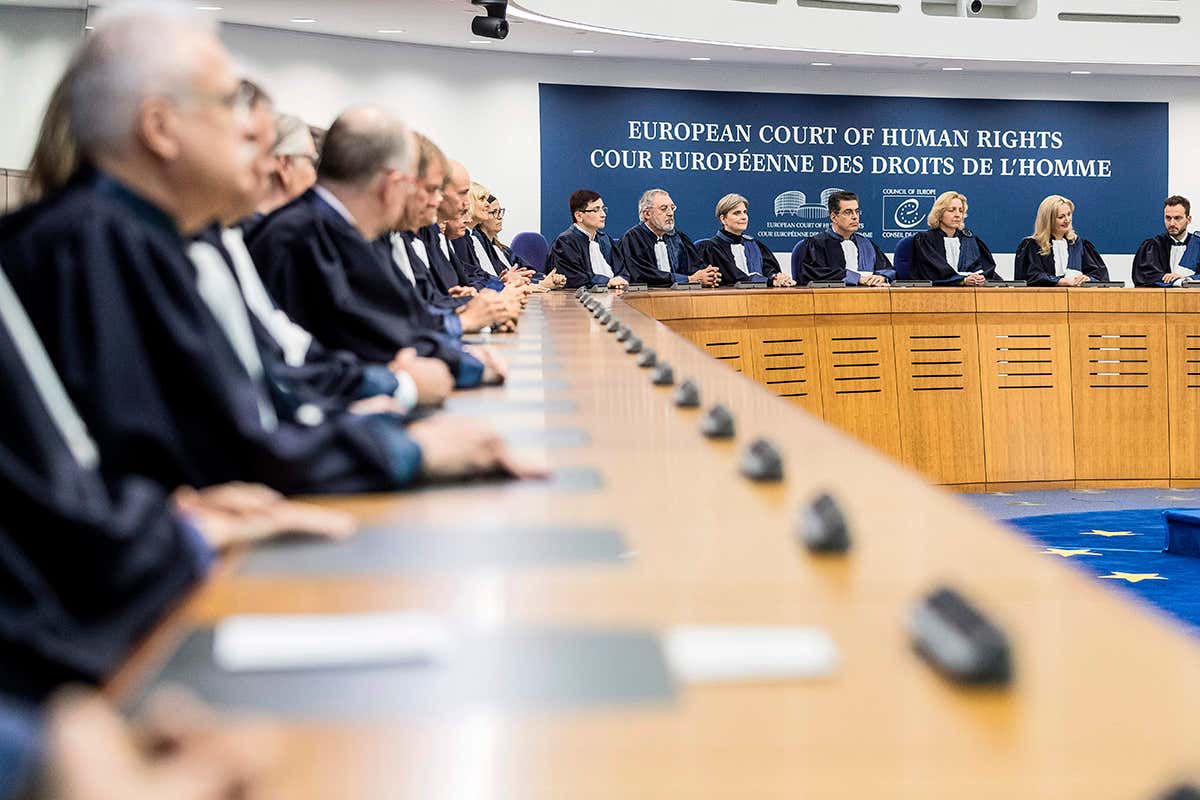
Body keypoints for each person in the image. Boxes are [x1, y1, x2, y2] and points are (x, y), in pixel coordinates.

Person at [0, 5, 529, 496]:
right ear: (160, 128)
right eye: (230, 110)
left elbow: (239, 410)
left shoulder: (149, 237)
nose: (259, 148)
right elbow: (217, 443)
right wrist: (401, 443)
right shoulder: (92, 246)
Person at [192, 80, 452, 412]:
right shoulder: (294, 235)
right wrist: (401, 388)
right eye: (251, 144)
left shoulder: (226, 240)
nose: (267, 165)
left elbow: (291, 351)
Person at [245, 106, 504, 384]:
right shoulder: (302, 234)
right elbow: (365, 334)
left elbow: (395, 318)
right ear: (391, 184)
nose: (433, 200)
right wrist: (462, 365)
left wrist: (462, 357)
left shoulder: (332, 229)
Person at [617, 189, 720, 288]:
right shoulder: (632, 239)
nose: (670, 213)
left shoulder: (679, 238)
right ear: (647, 214)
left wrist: (708, 275)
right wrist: (688, 279)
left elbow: (695, 267)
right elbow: (642, 275)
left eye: (672, 208)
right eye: (664, 208)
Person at [697, 193, 795, 287]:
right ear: (723, 219)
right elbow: (733, 277)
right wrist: (769, 281)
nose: (743, 217)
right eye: (737, 213)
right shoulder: (710, 248)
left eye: (744, 212)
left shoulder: (755, 245)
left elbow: (769, 270)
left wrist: (776, 277)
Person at [798, 190, 892, 286]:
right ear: (834, 217)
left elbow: (888, 269)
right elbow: (814, 275)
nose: (855, 217)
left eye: (857, 211)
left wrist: (881, 277)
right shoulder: (817, 244)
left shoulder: (867, 244)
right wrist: (857, 278)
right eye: (848, 212)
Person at [1014, 195, 1109, 286]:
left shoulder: (1079, 244)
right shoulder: (1032, 245)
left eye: (1069, 214)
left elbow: (1100, 275)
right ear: (1048, 220)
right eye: (1061, 217)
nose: (1067, 220)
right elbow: (1030, 277)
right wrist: (1060, 281)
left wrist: (1088, 279)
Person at [909, 191, 999, 286]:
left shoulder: (969, 239)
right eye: (952, 210)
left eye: (960, 210)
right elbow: (931, 272)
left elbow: (986, 268)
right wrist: (961, 280)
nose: (957, 215)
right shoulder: (925, 239)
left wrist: (980, 277)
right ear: (939, 213)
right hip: (938, 294)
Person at [545, 189, 629, 289]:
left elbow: (621, 270)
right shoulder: (565, 242)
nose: (603, 214)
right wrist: (607, 282)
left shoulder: (605, 240)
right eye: (596, 210)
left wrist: (621, 280)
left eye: (603, 209)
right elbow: (573, 277)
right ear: (579, 216)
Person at [250, 112, 320, 226]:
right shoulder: (281, 236)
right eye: (312, 162)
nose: (314, 174)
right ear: (285, 164)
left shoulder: (233, 226)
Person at [1132, 195, 1200, 286]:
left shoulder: (1197, 245)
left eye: (1177, 218)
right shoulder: (1153, 246)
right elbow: (1145, 277)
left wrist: (1188, 280)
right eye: (1168, 218)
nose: (1172, 223)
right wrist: (1176, 281)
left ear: (1188, 219)